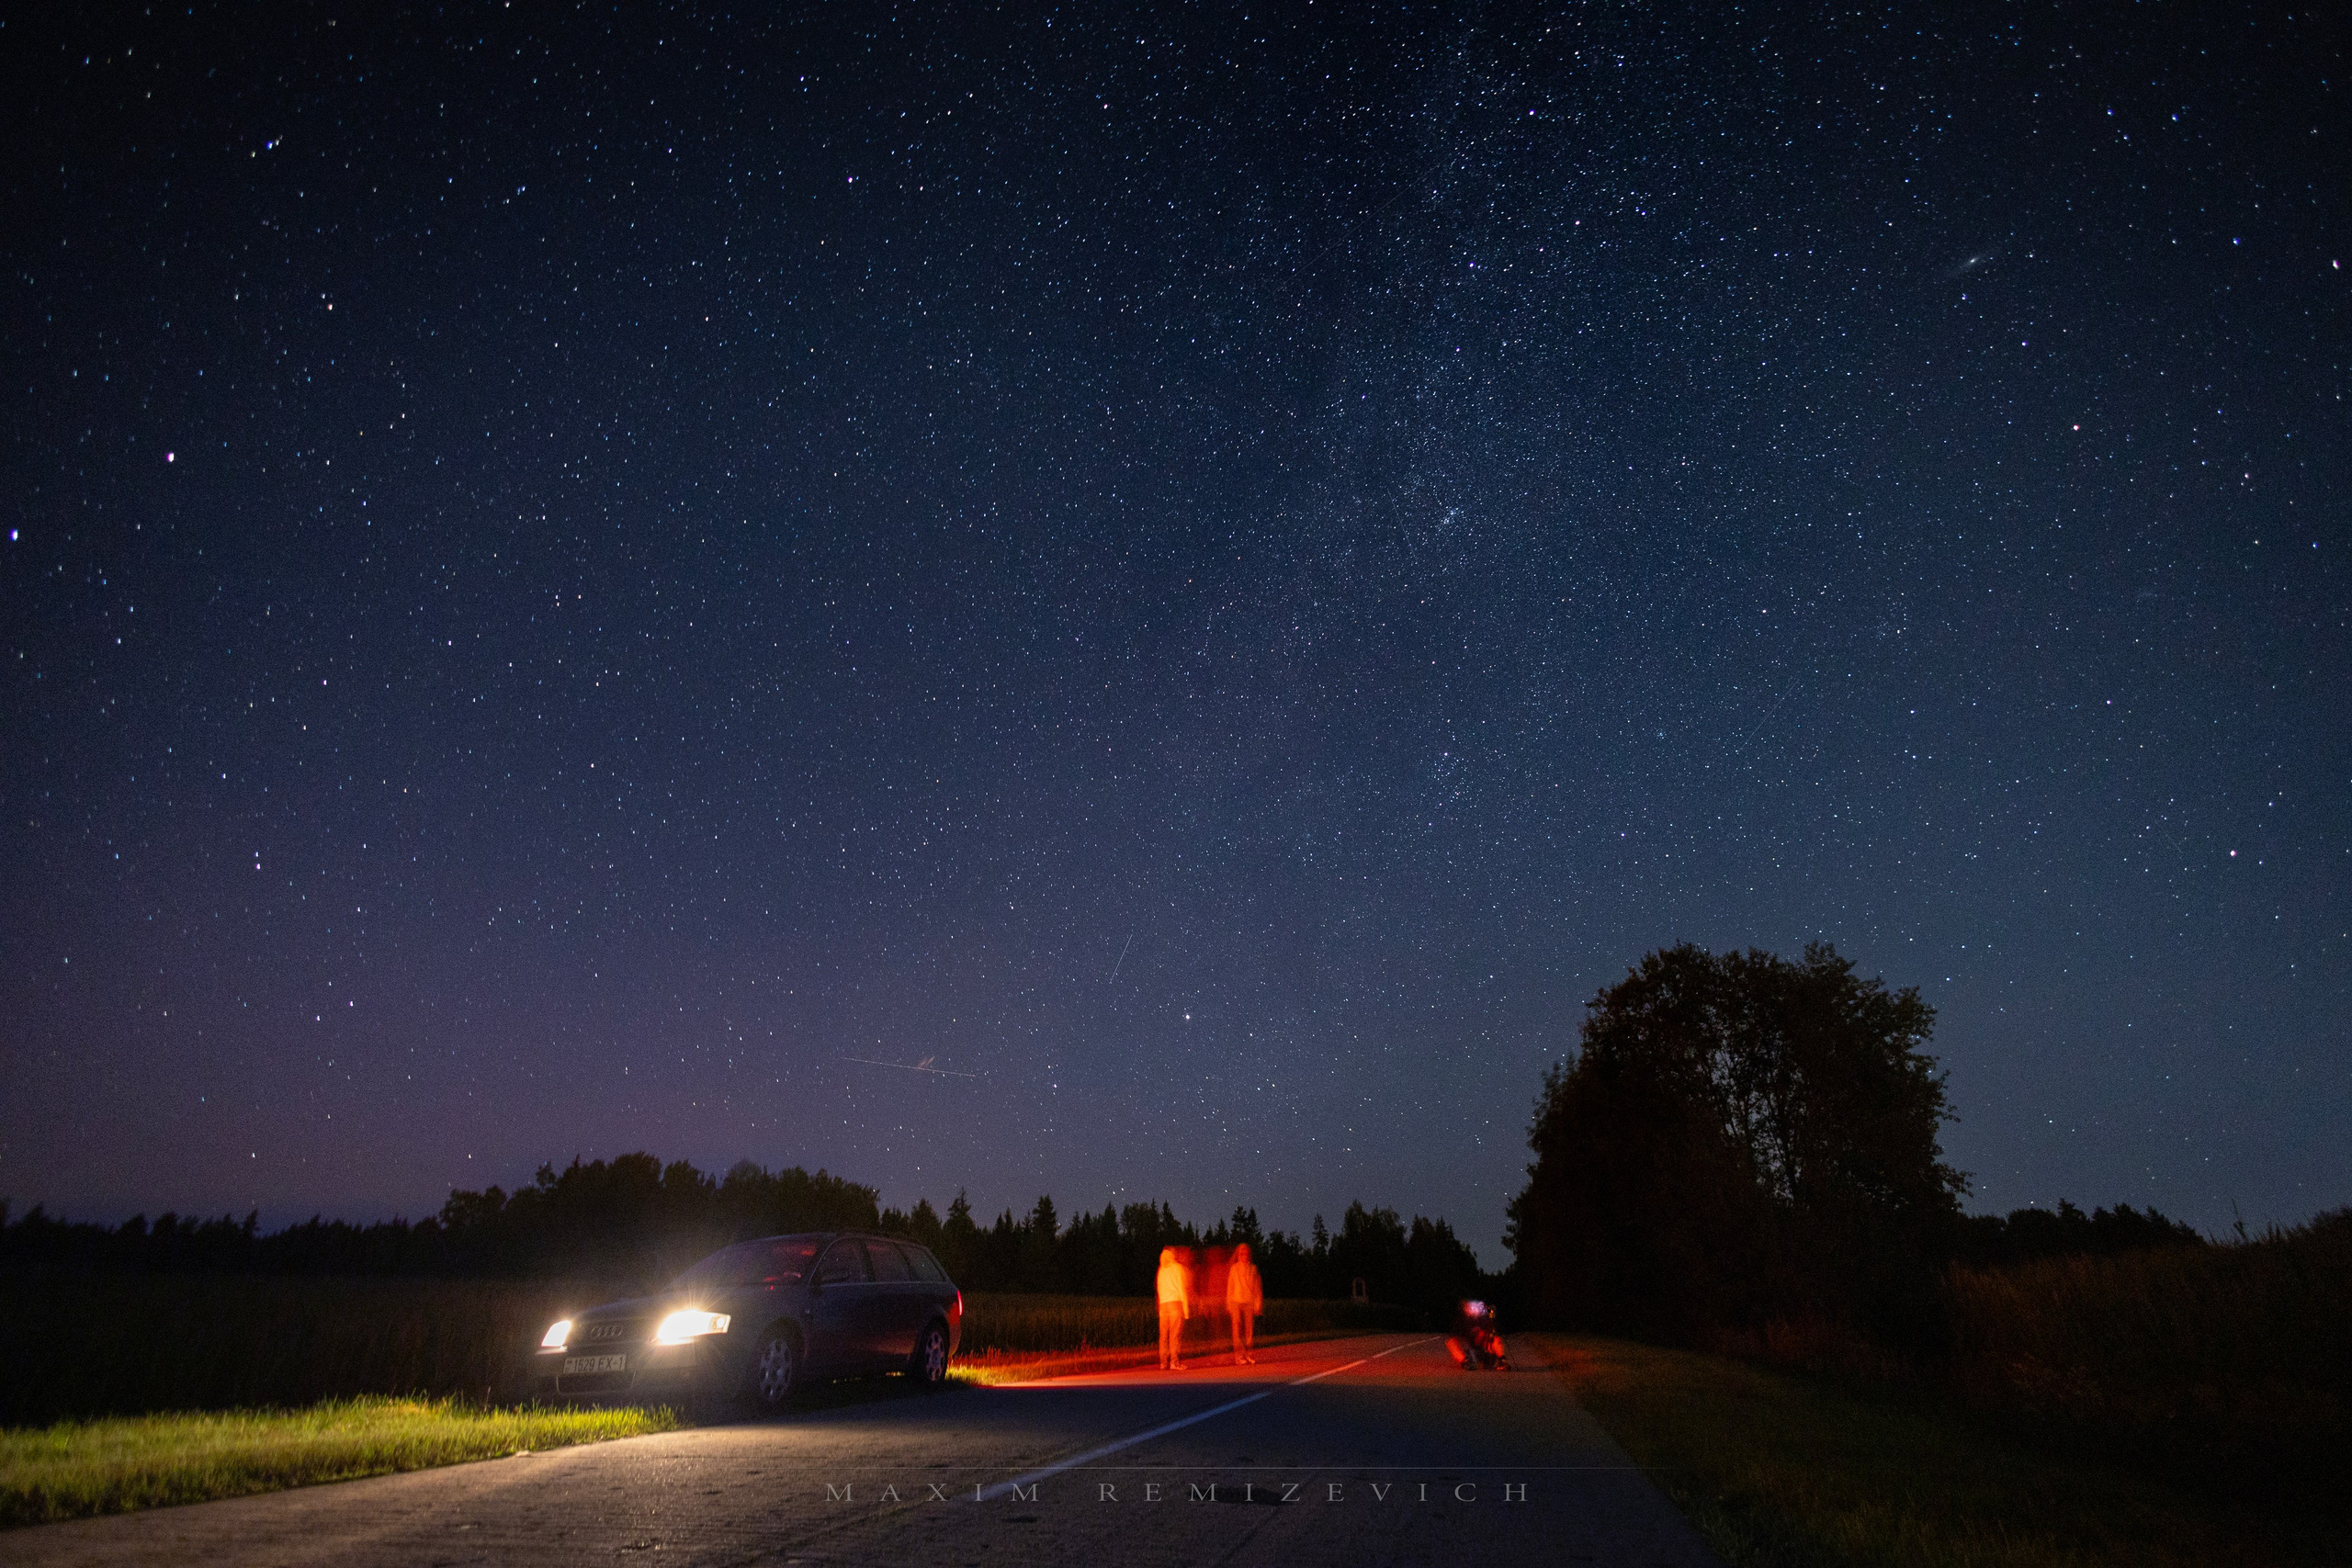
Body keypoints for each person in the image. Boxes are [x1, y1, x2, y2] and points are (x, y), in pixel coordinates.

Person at [1225, 1242, 1263, 1364]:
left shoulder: (1253, 1268)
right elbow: (1230, 1287)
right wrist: (1228, 1303)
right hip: (1236, 1301)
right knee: (1237, 1330)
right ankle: (1239, 1355)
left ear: (1249, 1254)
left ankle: (1249, 1353)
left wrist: (1258, 1303)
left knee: (1249, 1330)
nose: (1244, 1255)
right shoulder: (1234, 1268)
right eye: (1241, 1253)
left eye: (1246, 1253)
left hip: (1249, 1301)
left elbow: (1258, 1288)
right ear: (1238, 1255)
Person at [1156, 1246, 1193, 1370]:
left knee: (1163, 1335)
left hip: (1164, 1305)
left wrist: (1161, 1306)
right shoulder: (1178, 1268)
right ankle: (1174, 1362)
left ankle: (1163, 1362)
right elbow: (1182, 1288)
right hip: (1175, 1303)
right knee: (1175, 1335)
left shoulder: (1161, 1270)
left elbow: (1159, 1290)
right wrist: (1186, 1310)